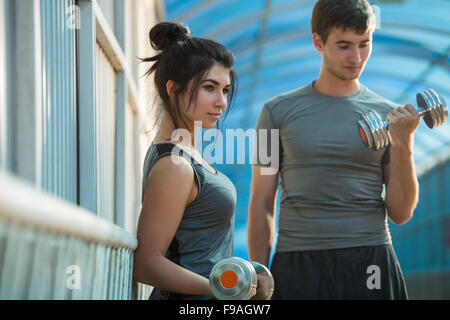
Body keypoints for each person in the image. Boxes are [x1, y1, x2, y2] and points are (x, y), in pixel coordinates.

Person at [248, 0, 419, 299]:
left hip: (371, 261)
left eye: (364, 44)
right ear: (318, 41)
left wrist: (404, 143)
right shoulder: (273, 113)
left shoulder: (390, 115)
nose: (356, 57)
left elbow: (402, 213)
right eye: (344, 45)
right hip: (298, 261)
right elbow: (261, 202)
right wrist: (258, 274)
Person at [133, 21, 238, 300]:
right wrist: (224, 289)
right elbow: (146, 263)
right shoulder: (174, 166)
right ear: (173, 89)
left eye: (225, 90)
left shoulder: (186, 154)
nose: (221, 102)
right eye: (209, 88)